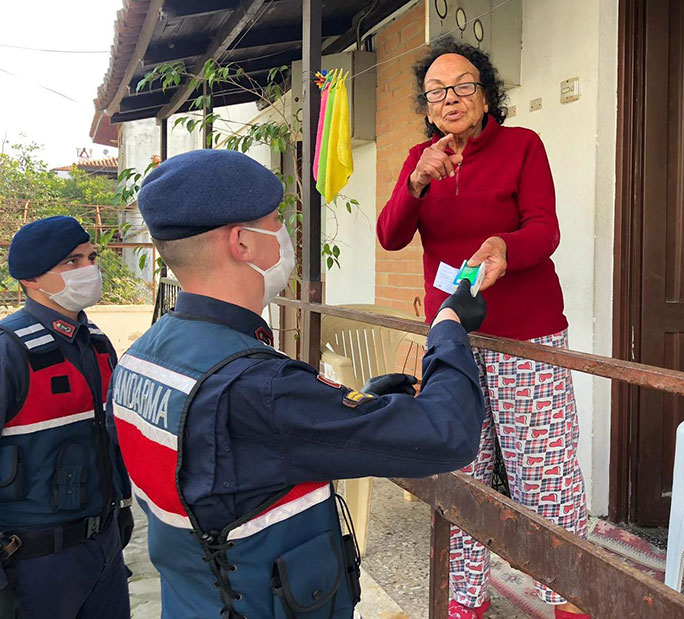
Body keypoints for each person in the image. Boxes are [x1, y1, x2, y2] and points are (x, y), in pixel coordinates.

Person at [106, 149, 488, 619]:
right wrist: (448, 328)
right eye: (275, 220)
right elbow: (445, 434)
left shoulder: (140, 358)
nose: (285, 235)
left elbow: (236, 458)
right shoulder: (258, 385)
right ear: (242, 243)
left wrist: (360, 406)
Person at [376, 37, 590, 619]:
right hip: (454, 338)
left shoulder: (522, 146)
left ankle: (566, 595)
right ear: (426, 103)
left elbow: (544, 230)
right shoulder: (418, 162)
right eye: (438, 90)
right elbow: (391, 235)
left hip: (528, 334)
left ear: (486, 92)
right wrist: (416, 181)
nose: (451, 98)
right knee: (462, 468)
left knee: (543, 469)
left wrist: (504, 245)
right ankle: (466, 597)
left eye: (464, 85)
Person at [0, 216, 132, 619]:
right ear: (31, 279)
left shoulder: (96, 344)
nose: (89, 269)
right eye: (72, 262)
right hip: (34, 561)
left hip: (104, 548)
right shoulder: (10, 351)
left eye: (91, 257)